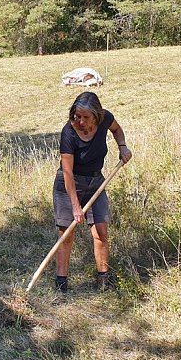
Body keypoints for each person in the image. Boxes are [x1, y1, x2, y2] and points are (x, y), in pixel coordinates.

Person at [53, 91, 132, 293]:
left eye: (85, 117)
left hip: (96, 182)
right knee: (67, 234)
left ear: (96, 115)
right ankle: (61, 284)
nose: (80, 121)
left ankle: (104, 281)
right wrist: (75, 206)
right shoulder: (68, 133)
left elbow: (117, 130)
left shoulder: (105, 118)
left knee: (101, 232)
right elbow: (68, 171)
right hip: (69, 185)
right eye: (77, 116)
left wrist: (122, 146)